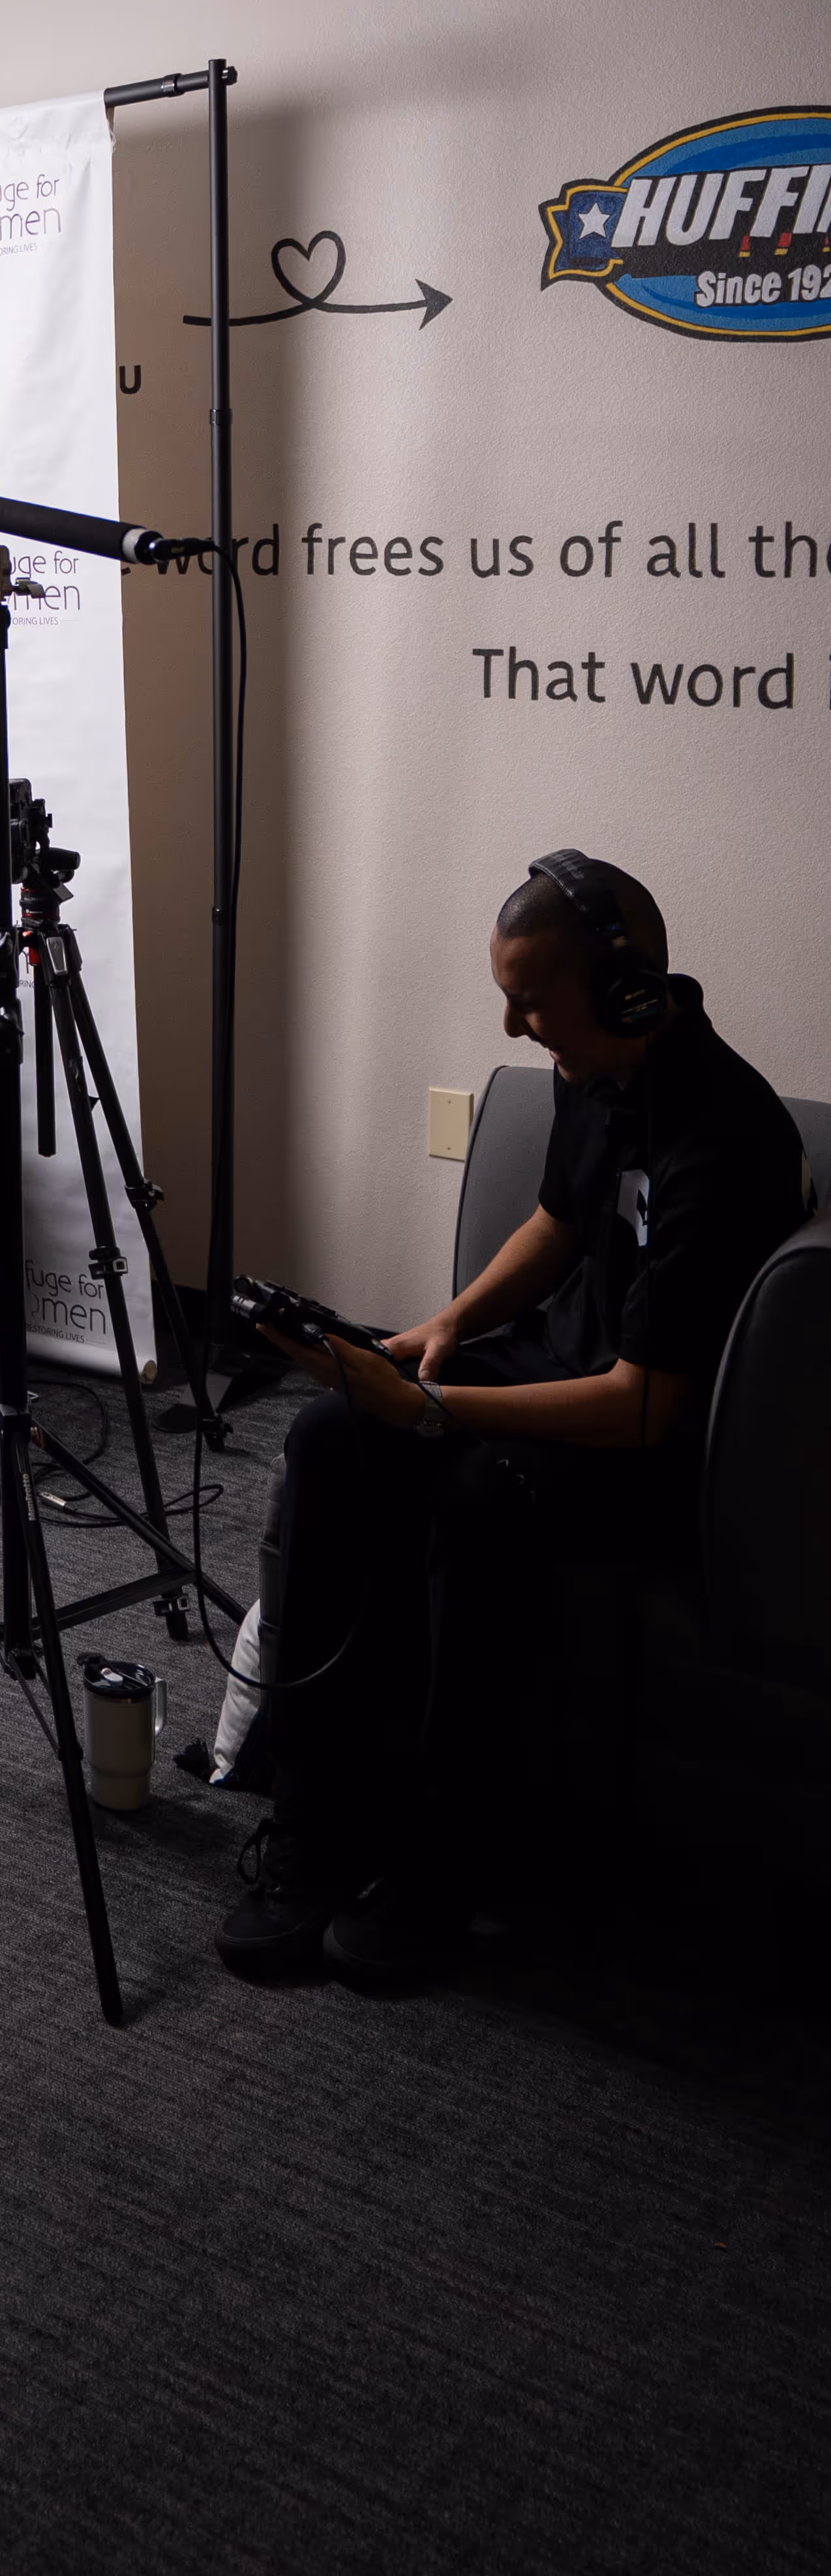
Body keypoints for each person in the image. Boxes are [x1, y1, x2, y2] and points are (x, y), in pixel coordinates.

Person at [220, 852, 806, 1991]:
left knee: (477, 1497)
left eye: (529, 999)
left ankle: (444, 1867)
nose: (509, 1022)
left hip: (641, 1436)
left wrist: (432, 1411)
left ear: (626, 987)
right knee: (326, 1436)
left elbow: (641, 1405)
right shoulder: (593, 1072)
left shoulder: (723, 1143)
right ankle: (315, 1823)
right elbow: (553, 1222)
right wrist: (435, 1331)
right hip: (563, 1367)